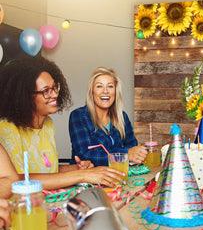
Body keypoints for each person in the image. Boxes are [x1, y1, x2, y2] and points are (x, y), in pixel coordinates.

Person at [0, 58, 124, 189]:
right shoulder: (6, 129)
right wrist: (82, 175)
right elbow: (16, 180)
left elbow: (49, 171)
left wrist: (77, 168)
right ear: (24, 96)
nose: (54, 95)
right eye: (46, 91)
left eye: (55, 88)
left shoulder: (47, 123)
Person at [69, 67, 147, 166]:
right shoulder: (78, 116)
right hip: (88, 178)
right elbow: (85, 155)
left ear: (115, 91)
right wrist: (126, 154)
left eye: (110, 86)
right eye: (99, 86)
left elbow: (132, 147)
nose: (105, 91)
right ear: (92, 92)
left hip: (118, 175)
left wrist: (135, 153)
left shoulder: (122, 117)